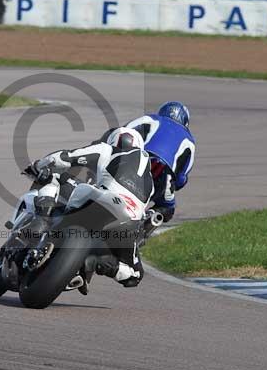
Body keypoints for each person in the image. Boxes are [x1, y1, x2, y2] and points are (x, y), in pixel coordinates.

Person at [26, 127, 153, 288]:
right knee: (135, 275)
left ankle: (42, 220)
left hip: (104, 197)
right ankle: (96, 263)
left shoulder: (107, 149)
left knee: (54, 177)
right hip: (128, 219)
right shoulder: (150, 180)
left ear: (114, 139)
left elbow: (64, 157)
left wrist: (39, 165)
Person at [108, 101, 196, 224]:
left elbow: (121, 132)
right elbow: (181, 179)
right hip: (163, 174)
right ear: (185, 122)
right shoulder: (189, 141)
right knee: (167, 209)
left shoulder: (150, 119)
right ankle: (146, 223)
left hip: (134, 159)